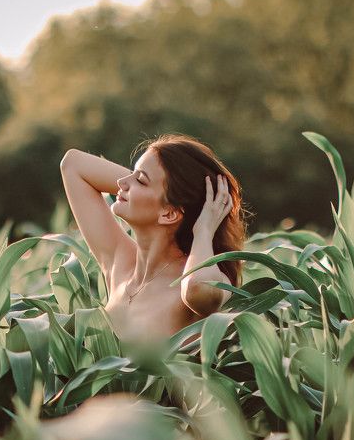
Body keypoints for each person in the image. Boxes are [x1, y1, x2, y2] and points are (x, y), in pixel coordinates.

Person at [59, 133, 247, 348]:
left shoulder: (197, 281)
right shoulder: (119, 261)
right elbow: (73, 164)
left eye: (139, 180)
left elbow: (197, 289)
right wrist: (144, 188)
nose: (120, 182)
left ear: (169, 214)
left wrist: (204, 229)